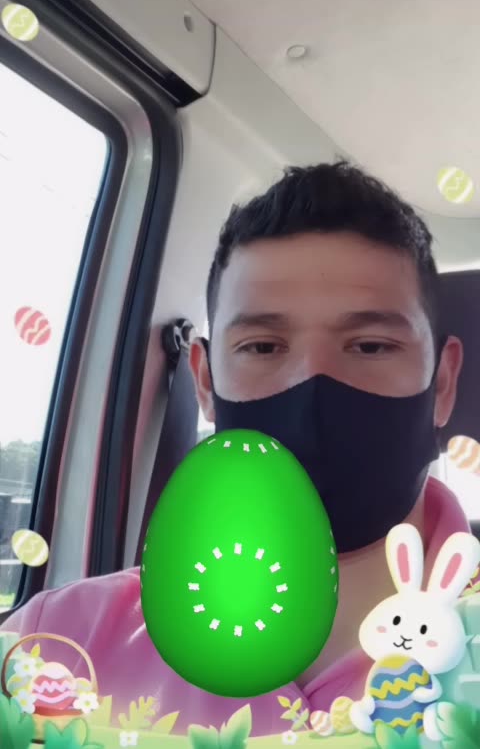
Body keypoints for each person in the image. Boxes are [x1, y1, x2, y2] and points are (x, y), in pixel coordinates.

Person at [0, 162, 470, 735]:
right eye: (263, 346)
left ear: (442, 384)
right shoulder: (54, 647)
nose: (312, 383)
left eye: (370, 346)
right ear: (204, 381)